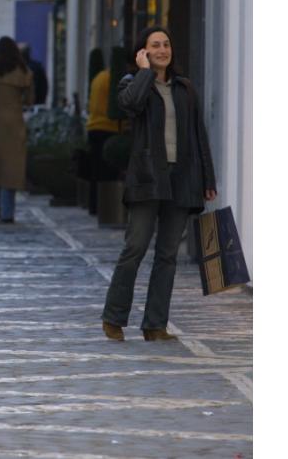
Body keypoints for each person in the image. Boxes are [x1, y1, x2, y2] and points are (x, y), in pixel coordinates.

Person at [102, 26, 216, 342]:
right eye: (155, 45)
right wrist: (143, 73)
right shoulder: (133, 82)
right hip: (147, 178)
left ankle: (155, 325)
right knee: (134, 247)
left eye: (166, 44)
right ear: (144, 52)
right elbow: (131, 106)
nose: (163, 50)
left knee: (167, 255)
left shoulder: (185, 88)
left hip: (181, 179)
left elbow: (198, 136)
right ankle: (113, 317)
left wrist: (207, 177)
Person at [0, 36, 34, 223]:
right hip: (14, 121)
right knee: (11, 167)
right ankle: (7, 211)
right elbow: (29, 100)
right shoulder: (24, 72)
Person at [85, 67, 123, 212]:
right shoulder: (113, 80)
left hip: (94, 126)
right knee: (106, 172)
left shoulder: (99, 77)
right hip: (108, 127)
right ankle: (106, 207)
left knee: (95, 172)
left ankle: (94, 205)